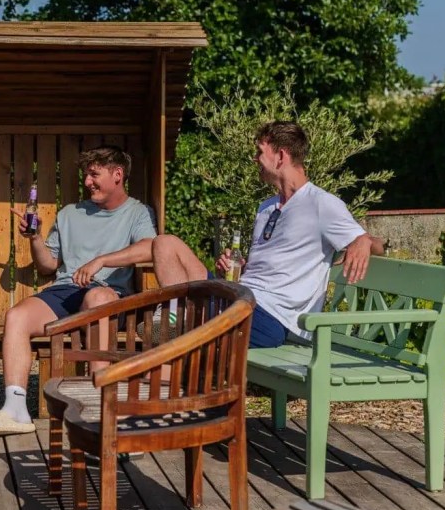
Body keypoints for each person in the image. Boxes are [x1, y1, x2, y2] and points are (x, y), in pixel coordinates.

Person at [149, 121, 385, 349]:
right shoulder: (266, 208)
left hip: (272, 317)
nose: (255, 159)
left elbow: (373, 246)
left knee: (193, 307)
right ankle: (176, 319)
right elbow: (266, 268)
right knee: (165, 244)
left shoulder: (321, 204)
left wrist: (363, 241)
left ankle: (174, 320)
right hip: (241, 296)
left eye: (259, 152)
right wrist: (238, 267)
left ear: (281, 156)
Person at [0, 146, 157, 437]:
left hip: (108, 294)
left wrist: (102, 260)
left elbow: (150, 246)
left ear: (117, 175)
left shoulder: (137, 212)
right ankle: (14, 409)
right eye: (86, 175)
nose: (87, 182)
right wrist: (35, 238)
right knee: (16, 317)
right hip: (65, 291)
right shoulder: (70, 213)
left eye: (94, 174)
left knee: (97, 298)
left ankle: (101, 407)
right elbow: (48, 265)